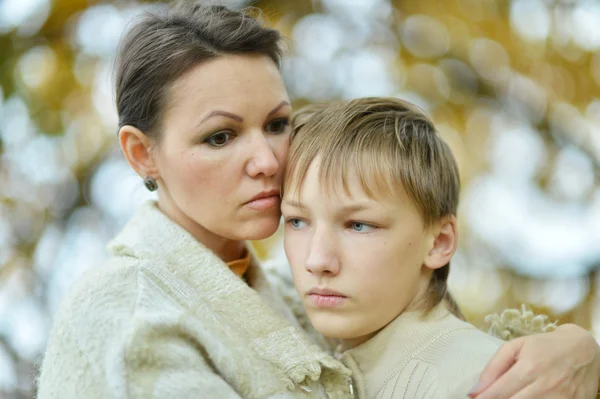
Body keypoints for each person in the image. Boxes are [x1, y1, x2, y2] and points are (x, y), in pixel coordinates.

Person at [36, 2, 600, 398]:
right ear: (142, 155)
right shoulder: (126, 315)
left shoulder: (297, 292)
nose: (266, 160)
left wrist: (579, 353)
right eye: (220, 137)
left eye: (277, 124)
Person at [281, 97, 507, 398]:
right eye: (297, 221)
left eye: (358, 225)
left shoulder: (484, 380)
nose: (317, 259)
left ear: (439, 242)